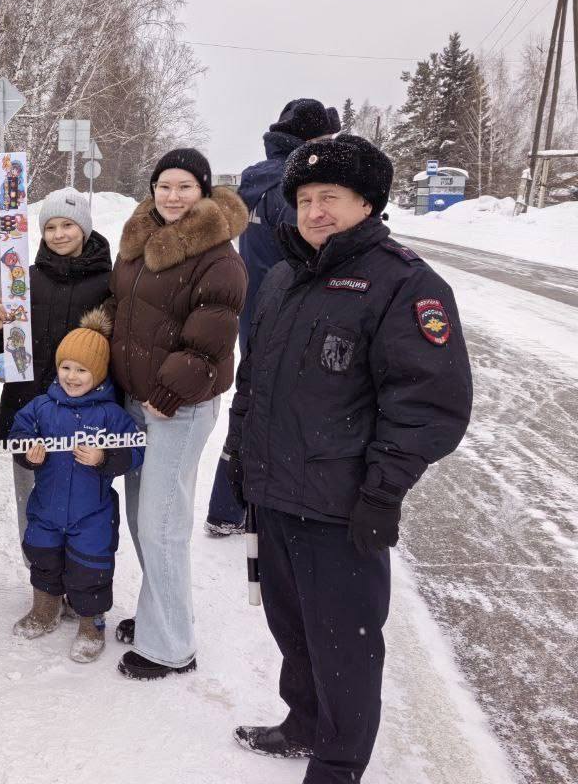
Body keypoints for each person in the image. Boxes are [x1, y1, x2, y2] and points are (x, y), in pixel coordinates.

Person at [225, 134, 471, 783]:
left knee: (345, 647)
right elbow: (255, 379)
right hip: (275, 496)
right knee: (294, 630)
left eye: (328, 197)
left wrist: (381, 492)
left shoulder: (404, 284)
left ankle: (338, 765)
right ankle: (304, 722)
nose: (314, 212)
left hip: (341, 510)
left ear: (367, 201)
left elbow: (429, 405)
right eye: (304, 199)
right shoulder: (283, 277)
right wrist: (237, 457)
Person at [103, 147, 248, 680]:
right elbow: (121, 309)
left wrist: (168, 393)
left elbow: (210, 336)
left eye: (185, 186)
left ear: (204, 193)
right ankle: (158, 614)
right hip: (138, 403)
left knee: (161, 523)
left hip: (176, 408)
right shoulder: (139, 242)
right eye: (164, 185)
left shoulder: (219, 257)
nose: (172, 196)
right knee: (145, 518)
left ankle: (171, 648)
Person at [203, 98, 340, 536]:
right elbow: (312, 256)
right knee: (277, 411)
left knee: (252, 404)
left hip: (256, 309)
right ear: (311, 141)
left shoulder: (255, 180)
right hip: (292, 314)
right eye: (327, 140)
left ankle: (228, 508)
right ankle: (248, 507)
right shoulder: (297, 189)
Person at [6, 312, 143, 663]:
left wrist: (104, 457)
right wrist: (29, 452)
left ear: (98, 372)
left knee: (90, 568)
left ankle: (90, 624)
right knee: (44, 559)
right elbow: (18, 434)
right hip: (47, 507)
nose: (72, 376)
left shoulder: (111, 414)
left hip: (91, 513)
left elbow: (136, 447)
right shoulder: (41, 407)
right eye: (66, 367)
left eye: (82, 370)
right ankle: (45, 609)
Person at [0, 186, 113, 562]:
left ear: (85, 229)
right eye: (51, 227)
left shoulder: (108, 281)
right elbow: (7, 344)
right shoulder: (23, 279)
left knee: (82, 501)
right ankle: (41, 580)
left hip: (83, 412)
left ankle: (81, 576)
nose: (59, 234)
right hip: (27, 405)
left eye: (68, 225)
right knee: (31, 496)